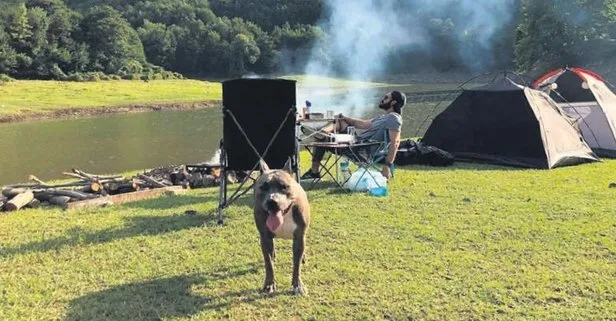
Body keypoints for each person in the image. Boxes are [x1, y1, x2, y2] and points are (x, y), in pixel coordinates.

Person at [301, 90, 406, 180]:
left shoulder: (394, 118)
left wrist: (387, 165)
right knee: (340, 120)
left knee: (323, 138)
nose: (382, 99)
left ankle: (321, 135)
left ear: (393, 102)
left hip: (361, 149)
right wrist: (345, 117)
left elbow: (395, 142)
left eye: (386, 98)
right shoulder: (384, 117)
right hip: (357, 143)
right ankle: (323, 134)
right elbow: (362, 124)